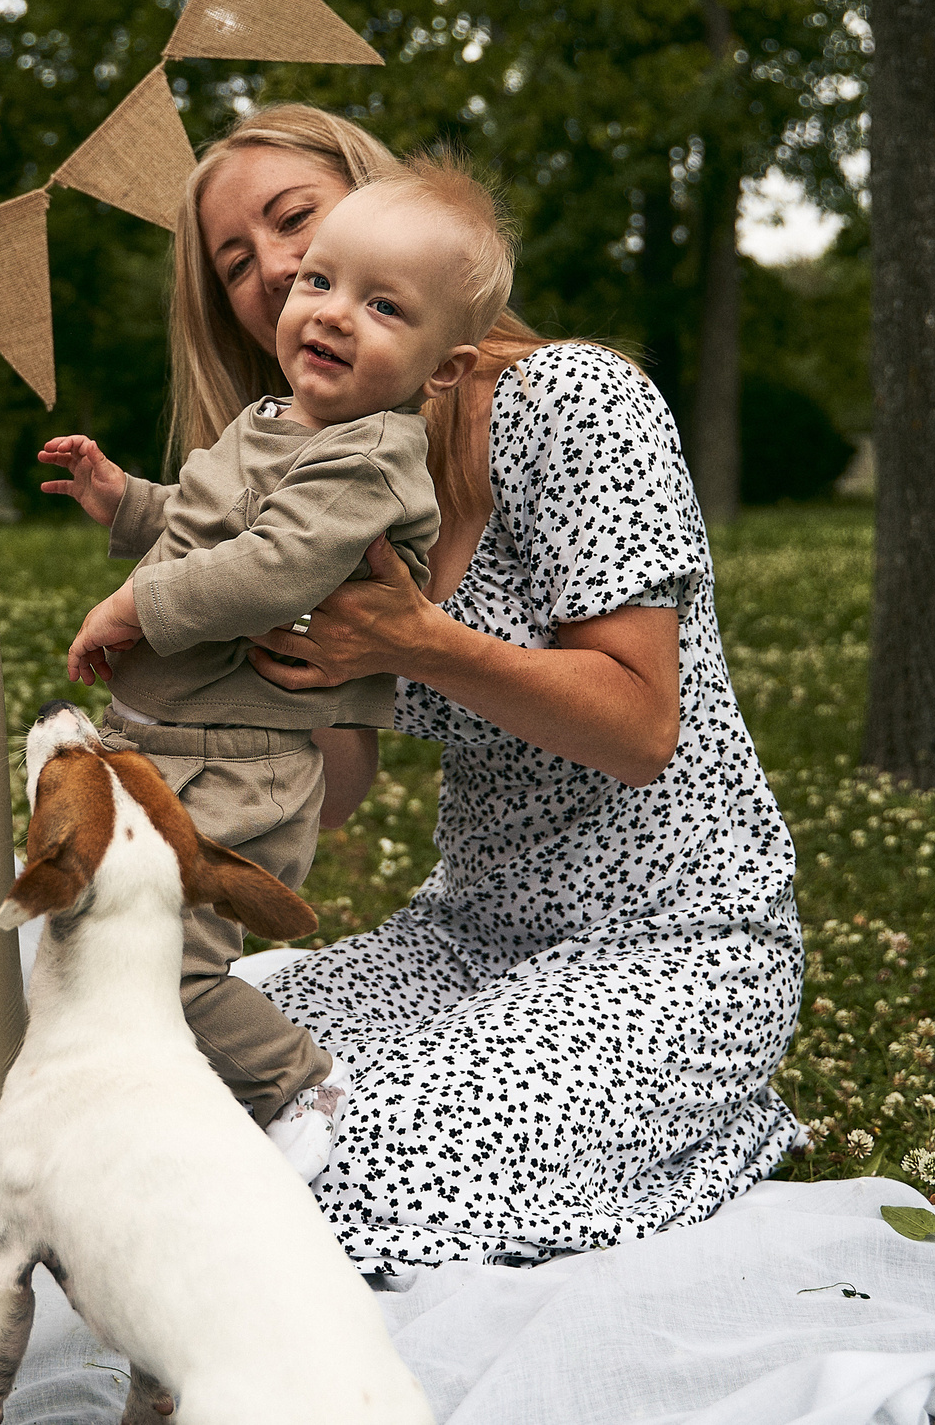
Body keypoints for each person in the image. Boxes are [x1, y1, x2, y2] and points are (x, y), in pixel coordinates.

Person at [135, 102, 805, 1272]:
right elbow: (331, 793)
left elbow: (644, 727)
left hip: (671, 943)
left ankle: (692, 1114)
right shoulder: (315, 491)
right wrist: (220, 657)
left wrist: (411, 641)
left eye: (296, 219)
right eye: (237, 264)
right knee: (159, 1089)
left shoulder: (573, 402)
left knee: (346, 1174)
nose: (277, 267)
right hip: (467, 934)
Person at [39, 154, 512, 1178]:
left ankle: (301, 1095)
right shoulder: (271, 427)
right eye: (318, 285)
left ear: (440, 369)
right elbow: (206, 521)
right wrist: (125, 502)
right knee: (101, 933)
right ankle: (164, 1103)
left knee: (169, 964)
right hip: (172, 746)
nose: (331, 312)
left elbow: (270, 568)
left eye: (382, 305)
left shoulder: (369, 457)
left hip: (241, 764)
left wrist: (135, 604)